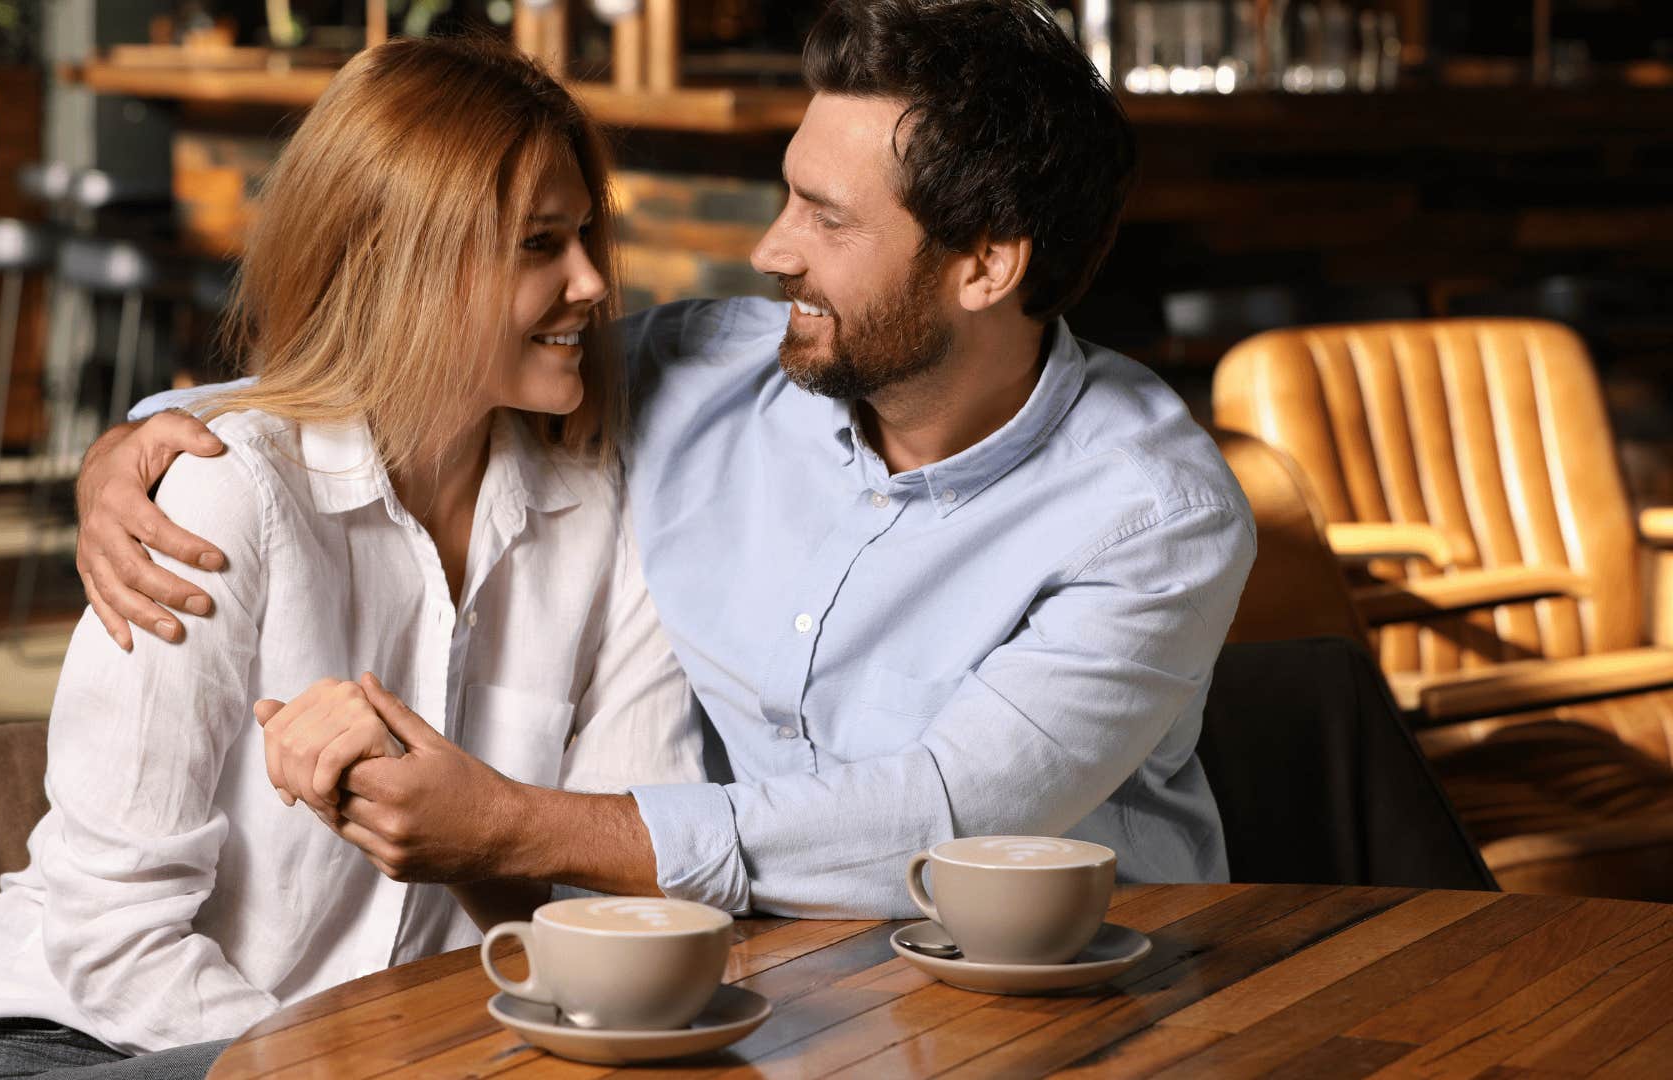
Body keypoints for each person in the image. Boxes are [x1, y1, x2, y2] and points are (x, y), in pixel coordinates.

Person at [79, 0, 1256, 921]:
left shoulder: (1151, 514)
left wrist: (514, 828)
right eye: (786, 196)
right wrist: (158, 438)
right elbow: (420, 356)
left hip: (1073, 1003)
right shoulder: (702, 377)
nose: (770, 251)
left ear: (986, 268)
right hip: (766, 994)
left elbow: (942, 828)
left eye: (828, 219)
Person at [0, 38, 701, 1079]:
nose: (594, 283)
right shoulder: (222, 494)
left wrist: (491, 843)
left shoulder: (609, 518)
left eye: (587, 235)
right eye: (539, 244)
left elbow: (626, 907)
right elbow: (112, 934)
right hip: (80, 1043)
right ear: (395, 260)